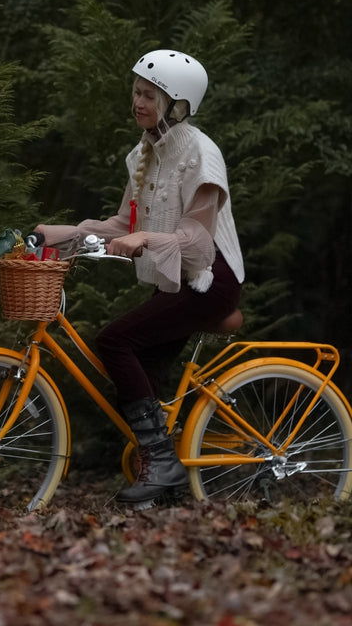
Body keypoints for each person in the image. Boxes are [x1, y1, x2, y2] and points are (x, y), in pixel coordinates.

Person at [34, 49, 244, 507]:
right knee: (139, 368)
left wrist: (145, 237)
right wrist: (62, 234)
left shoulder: (201, 154)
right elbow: (123, 225)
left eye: (149, 95)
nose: (138, 102)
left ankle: (162, 463)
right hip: (178, 281)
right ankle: (165, 473)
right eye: (136, 92)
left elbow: (197, 241)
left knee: (115, 341)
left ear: (177, 104)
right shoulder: (143, 154)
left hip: (211, 278)